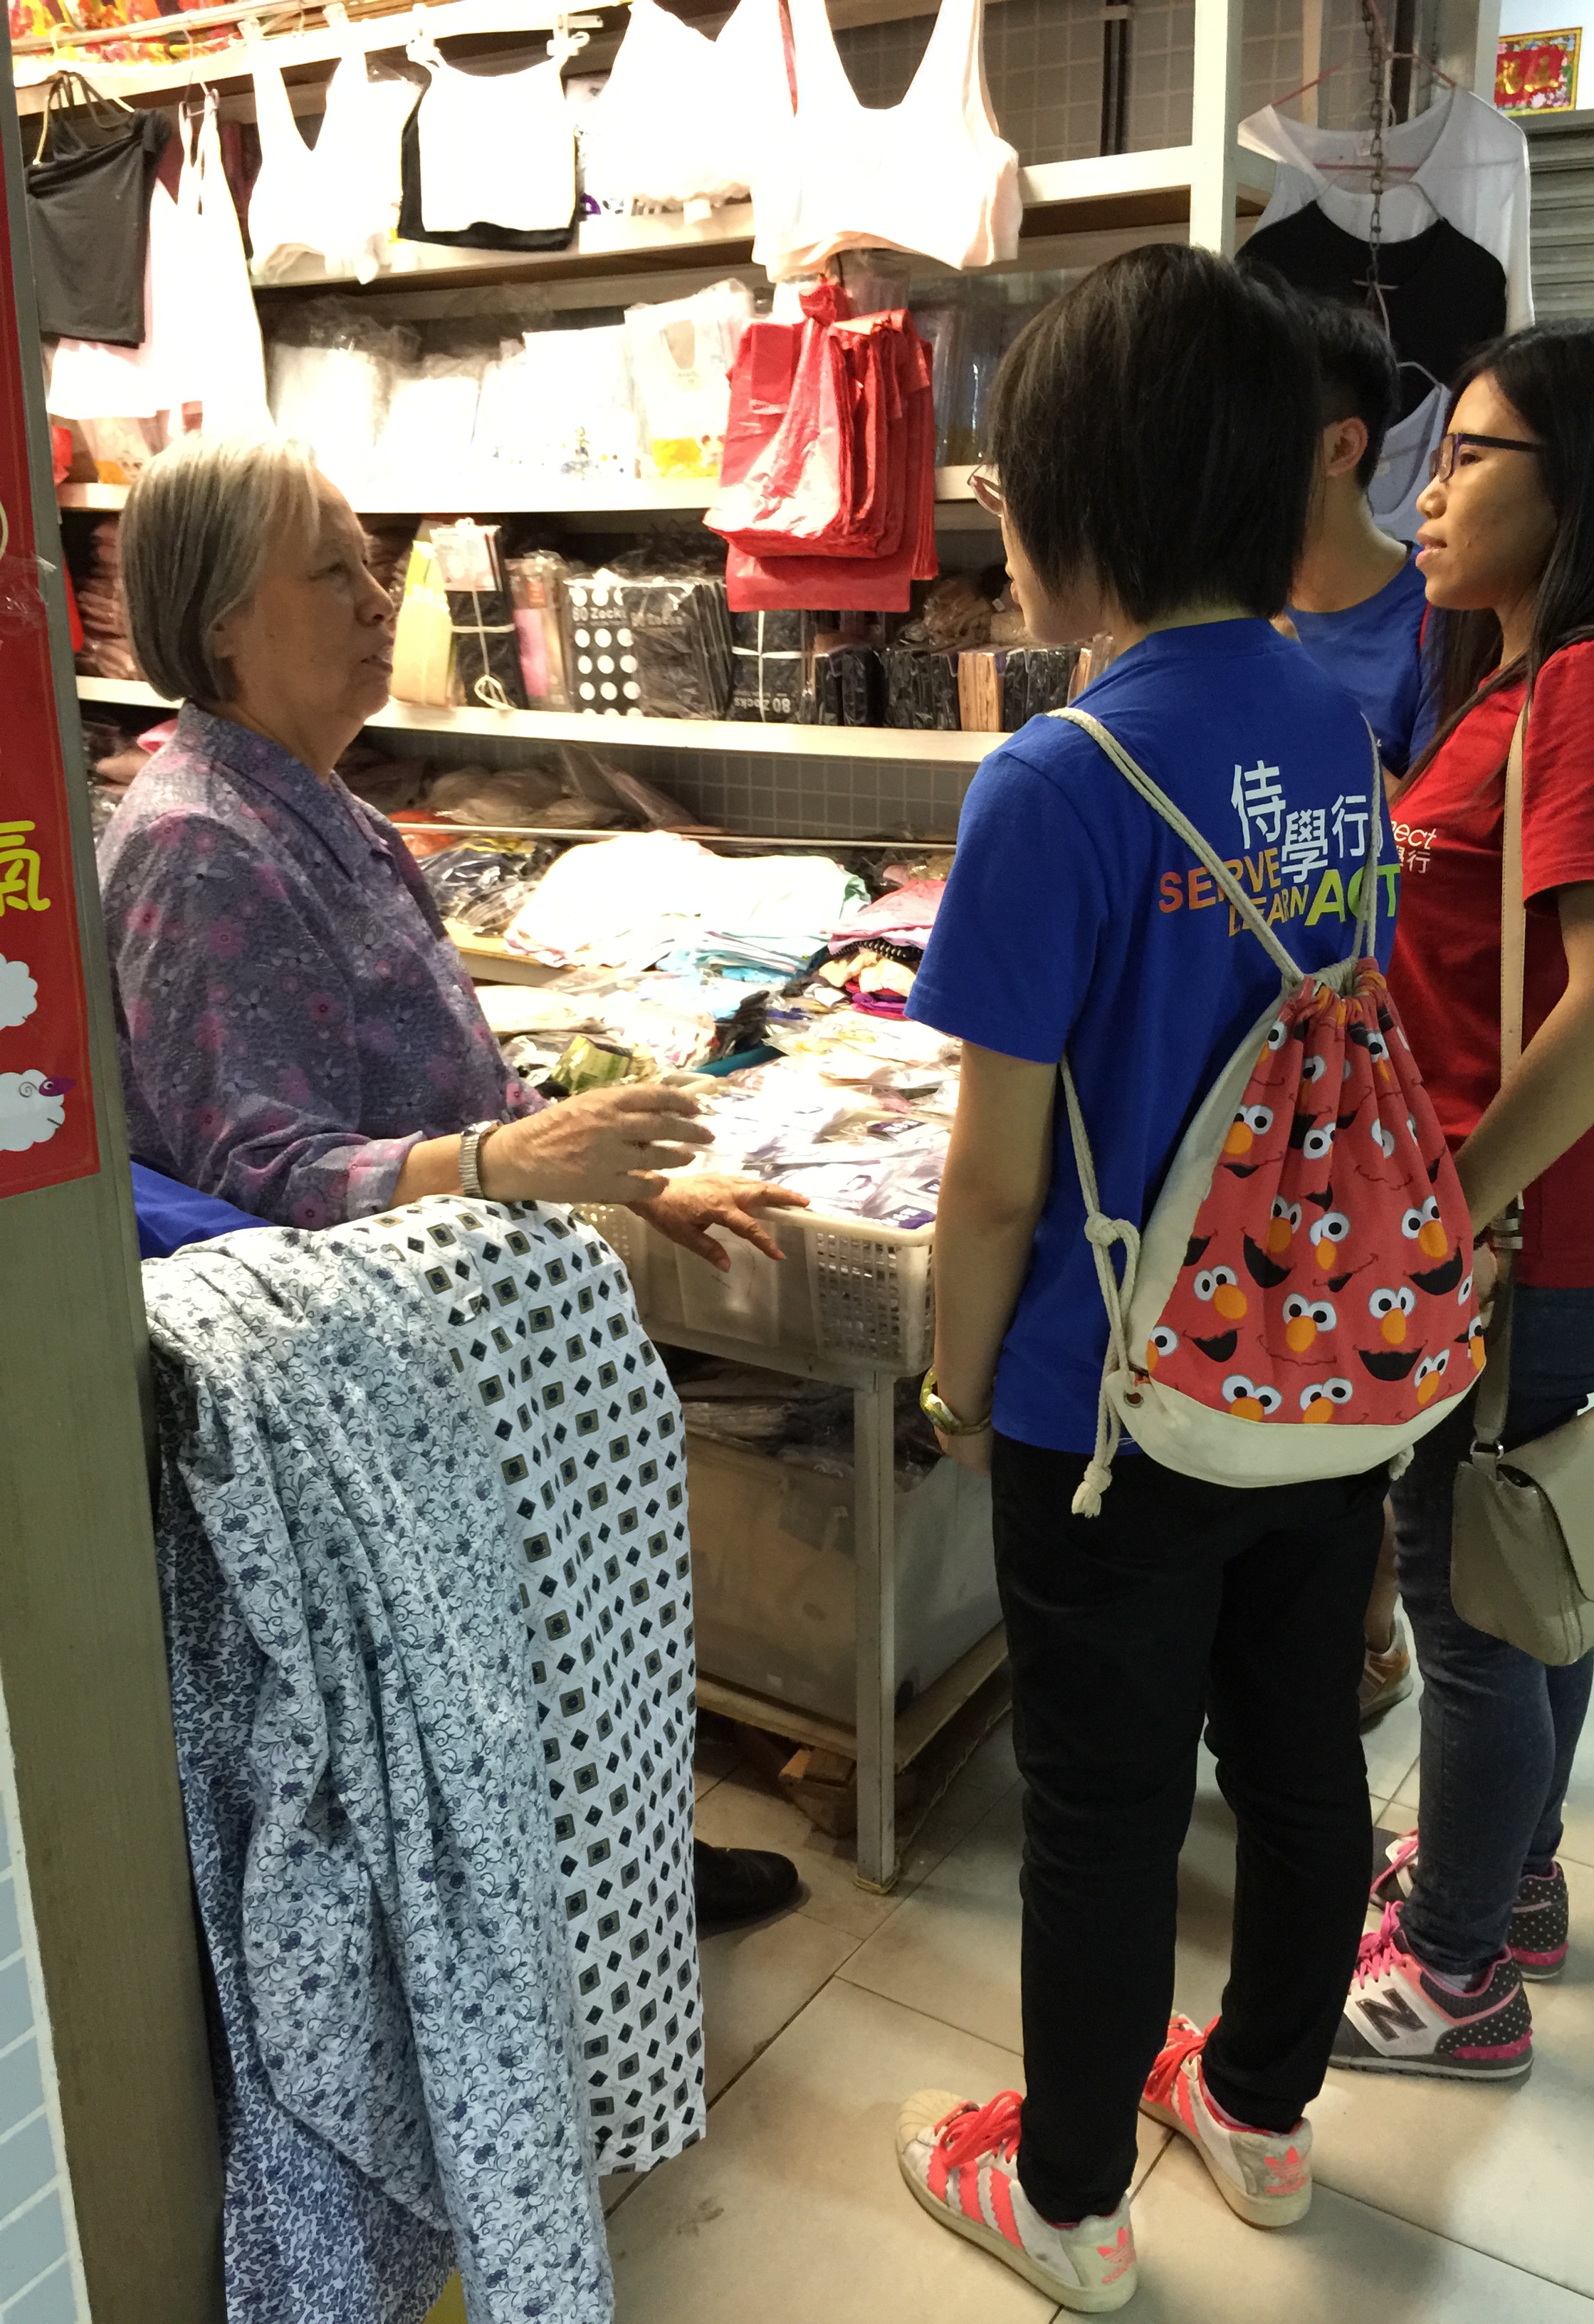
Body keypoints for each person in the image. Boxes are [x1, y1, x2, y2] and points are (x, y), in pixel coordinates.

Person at [100, 431, 801, 1935]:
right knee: (491, 1691)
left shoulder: (331, 812)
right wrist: (499, 1162)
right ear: (223, 618)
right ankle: (572, 1937)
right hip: (367, 1378)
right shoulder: (194, 848)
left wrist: (619, 1176)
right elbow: (254, 1173)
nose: (379, 597)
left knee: (579, 1644)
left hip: (474, 1329)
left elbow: (461, 1073)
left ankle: (629, 1884)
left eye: (373, 566)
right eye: (332, 571)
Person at [892, 246, 1398, 2313]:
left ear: (1082, 493)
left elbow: (993, 1186)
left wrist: (947, 1389)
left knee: (1099, 1811)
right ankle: (1263, 2117)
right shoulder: (1336, 717)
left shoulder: (1052, 784)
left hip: (1107, 1403)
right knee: (1296, 1747)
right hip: (1322, 1354)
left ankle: (1075, 2203)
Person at [1335, 320, 1594, 2078]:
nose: (1428, 487)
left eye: (1471, 455)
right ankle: (1515, 1873)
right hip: (1516, 1228)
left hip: (1513, 1236)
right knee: (1522, 1571)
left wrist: (1446, 1205)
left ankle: (1457, 1974)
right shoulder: (1510, 675)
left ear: (1580, 488)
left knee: (1466, 1600)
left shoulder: (1593, 686)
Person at [1283, 297, 1441, 1726]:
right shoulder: (1222, 607)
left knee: (1355, 1374)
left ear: (1340, 443)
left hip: (1369, 1077)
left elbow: (1441, 878)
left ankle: (1368, 1629)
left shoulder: (1426, 629)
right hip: (1222, 1065)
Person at [1284, 297, 1439, 783]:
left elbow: (1427, 838)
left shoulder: (1443, 617)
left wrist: (1295, 697)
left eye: (1250, 434)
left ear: (1341, 447)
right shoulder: (1215, 601)